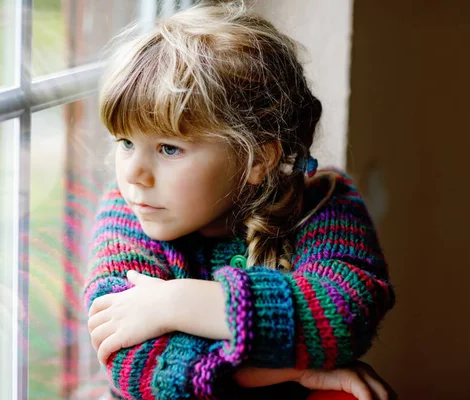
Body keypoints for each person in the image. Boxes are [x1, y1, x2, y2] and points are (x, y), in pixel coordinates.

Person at [84, 3, 395, 399]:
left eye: (168, 149)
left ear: (257, 159)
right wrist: (295, 371)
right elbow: (137, 362)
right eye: (126, 143)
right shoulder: (126, 215)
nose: (133, 175)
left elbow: (344, 311)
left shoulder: (324, 204)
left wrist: (174, 303)